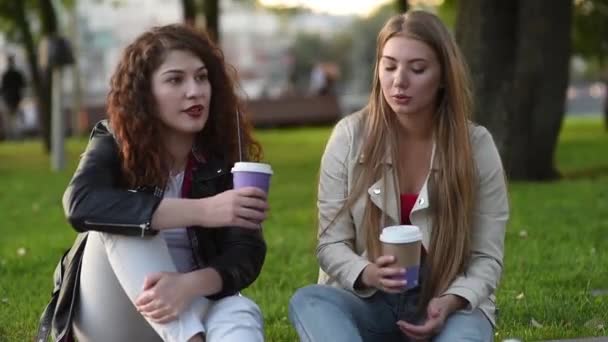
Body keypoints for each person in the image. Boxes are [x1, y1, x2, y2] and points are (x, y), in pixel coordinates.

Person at [36, 24, 268, 342]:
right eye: (176, 79)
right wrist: (203, 211)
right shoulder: (114, 139)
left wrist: (188, 285)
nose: (195, 90)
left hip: (186, 299)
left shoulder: (221, 155)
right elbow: (80, 204)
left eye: (202, 77)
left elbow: (246, 252)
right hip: (113, 316)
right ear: (144, 93)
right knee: (126, 223)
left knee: (238, 310)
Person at [289, 11, 508, 342]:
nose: (399, 80)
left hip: (444, 303)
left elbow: (486, 257)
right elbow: (331, 243)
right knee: (308, 301)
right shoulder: (349, 136)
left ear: (444, 76)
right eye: (389, 66)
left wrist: (450, 302)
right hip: (366, 301)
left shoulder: (476, 146)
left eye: (417, 69)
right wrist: (367, 273)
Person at [0, 54, 26, 139]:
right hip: (14, 98)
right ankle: (14, 134)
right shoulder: (15, 74)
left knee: (12, 117)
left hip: (10, 98)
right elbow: (23, 85)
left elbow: (3, 88)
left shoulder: (7, 74)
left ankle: (12, 135)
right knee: (14, 117)